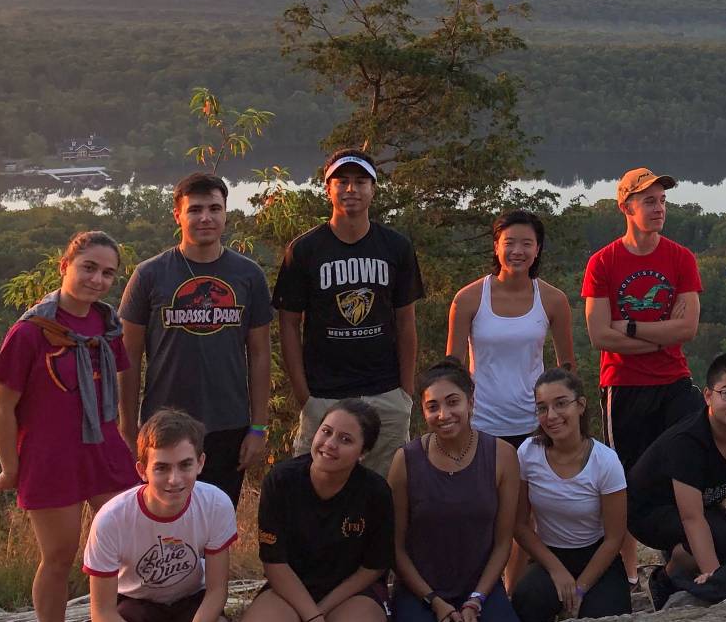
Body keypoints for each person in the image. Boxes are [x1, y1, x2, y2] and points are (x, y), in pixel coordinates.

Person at [0, 230, 141, 622]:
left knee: (132, 540)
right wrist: (10, 467)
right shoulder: (31, 332)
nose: (97, 279)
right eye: (89, 268)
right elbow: (3, 406)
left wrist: (126, 439)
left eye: (108, 272)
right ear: (65, 266)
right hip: (50, 454)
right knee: (59, 555)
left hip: (103, 447)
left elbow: (113, 388)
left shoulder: (106, 325)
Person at [119, 171, 275, 505]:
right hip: (162, 424)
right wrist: (127, 426)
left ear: (225, 214)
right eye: (195, 209)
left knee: (216, 519)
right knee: (162, 517)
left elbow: (260, 354)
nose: (205, 217)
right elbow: (127, 357)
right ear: (178, 215)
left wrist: (258, 427)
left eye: (214, 209)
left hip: (228, 424)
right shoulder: (150, 274)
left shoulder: (248, 275)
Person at [582, 167, 704, 583]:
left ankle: (686, 556)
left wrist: (629, 328)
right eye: (649, 200)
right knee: (625, 482)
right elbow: (599, 335)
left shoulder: (680, 258)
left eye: (662, 201)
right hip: (624, 387)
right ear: (626, 207)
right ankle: (629, 575)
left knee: (686, 472)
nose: (659, 208)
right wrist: (659, 336)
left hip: (674, 382)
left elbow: (686, 330)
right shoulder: (603, 262)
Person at [275, 150, 425, 477]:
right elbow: (288, 324)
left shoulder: (396, 247)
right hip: (325, 396)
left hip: (385, 393)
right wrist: (305, 396)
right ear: (328, 188)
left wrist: (405, 394)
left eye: (360, 181)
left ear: (373, 189)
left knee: (387, 490)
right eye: (341, 181)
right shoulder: (304, 251)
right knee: (314, 486)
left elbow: (405, 321)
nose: (351, 189)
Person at [82, 409, 237, 622]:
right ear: (142, 470)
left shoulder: (216, 504)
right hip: (134, 606)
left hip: (192, 601)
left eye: (185, 465)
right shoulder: (112, 519)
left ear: (201, 463)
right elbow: (102, 612)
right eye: (162, 467)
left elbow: (216, 591)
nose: (174, 479)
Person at [233, 399, 393, 622]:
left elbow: (373, 568)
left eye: (345, 439)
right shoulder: (282, 481)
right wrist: (313, 616)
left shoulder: (375, 493)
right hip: (293, 586)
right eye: (326, 432)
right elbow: (275, 562)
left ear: (363, 453)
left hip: (351, 591)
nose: (330, 444)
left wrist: (320, 613)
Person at [626, 353, 726, 607]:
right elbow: (692, 518)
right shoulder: (688, 441)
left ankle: (689, 565)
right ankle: (666, 577)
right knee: (716, 540)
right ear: (708, 395)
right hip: (646, 511)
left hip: (698, 505)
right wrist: (718, 580)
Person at [388, 358, 524, 622]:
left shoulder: (502, 456)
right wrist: (435, 603)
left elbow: (502, 543)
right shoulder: (406, 460)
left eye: (453, 402)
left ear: (470, 403)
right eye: (432, 407)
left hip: (481, 589)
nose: (443, 414)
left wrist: (476, 600)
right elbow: (396, 547)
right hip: (420, 593)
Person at [511, 369, 632, 622]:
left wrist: (579, 588)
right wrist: (557, 571)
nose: (551, 416)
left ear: (580, 405)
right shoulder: (528, 453)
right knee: (527, 601)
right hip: (549, 555)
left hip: (598, 556)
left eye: (561, 404)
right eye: (542, 408)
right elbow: (520, 526)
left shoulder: (605, 461)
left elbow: (614, 538)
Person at [447, 209, 576, 449]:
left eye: (527, 244)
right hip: (481, 424)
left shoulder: (553, 300)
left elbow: (567, 368)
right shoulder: (468, 298)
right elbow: (451, 369)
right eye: (509, 243)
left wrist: (567, 422)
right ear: (496, 246)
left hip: (536, 423)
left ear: (537, 249)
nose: (518, 251)